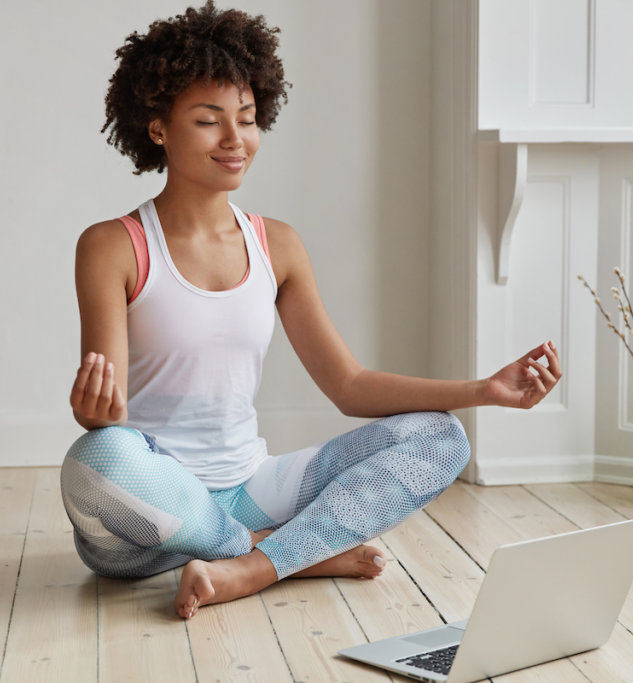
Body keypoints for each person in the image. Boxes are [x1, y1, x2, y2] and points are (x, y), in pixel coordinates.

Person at [60, 1, 561, 620]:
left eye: (246, 119)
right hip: (150, 511)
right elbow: (104, 417)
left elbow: (349, 387)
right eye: (208, 120)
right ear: (158, 127)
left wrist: (484, 389)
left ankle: (250, 566)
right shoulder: (112, 246)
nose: (234, 140)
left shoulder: (279, 245)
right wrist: (93, 413)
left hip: (251, 487)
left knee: (440, 437)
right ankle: (289, 553)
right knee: (97, 461)